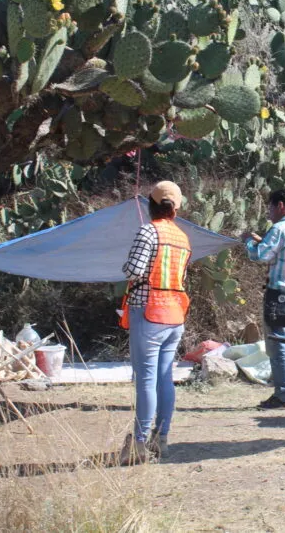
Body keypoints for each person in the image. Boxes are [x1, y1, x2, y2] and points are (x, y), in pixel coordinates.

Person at [120, 181, 192, 464]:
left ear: (151, 204)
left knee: (146, 380)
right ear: (175, 208)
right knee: (164, 378)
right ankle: (161, 439)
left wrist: (126, 267)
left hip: (148, 312)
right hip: (175, 315)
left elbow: (134, 270)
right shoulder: (183, 237)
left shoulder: (149, 230)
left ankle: (138, 444)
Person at [241, 189, 285, 410]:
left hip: (278, 295)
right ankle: (284, 392)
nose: (268, 212)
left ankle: (284, 396)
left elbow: (259, 255)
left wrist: (247, 242)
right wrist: (263, 241)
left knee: (278, 346)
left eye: (270, 206)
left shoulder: (279, 229)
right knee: (284, 344)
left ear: (280, 205)